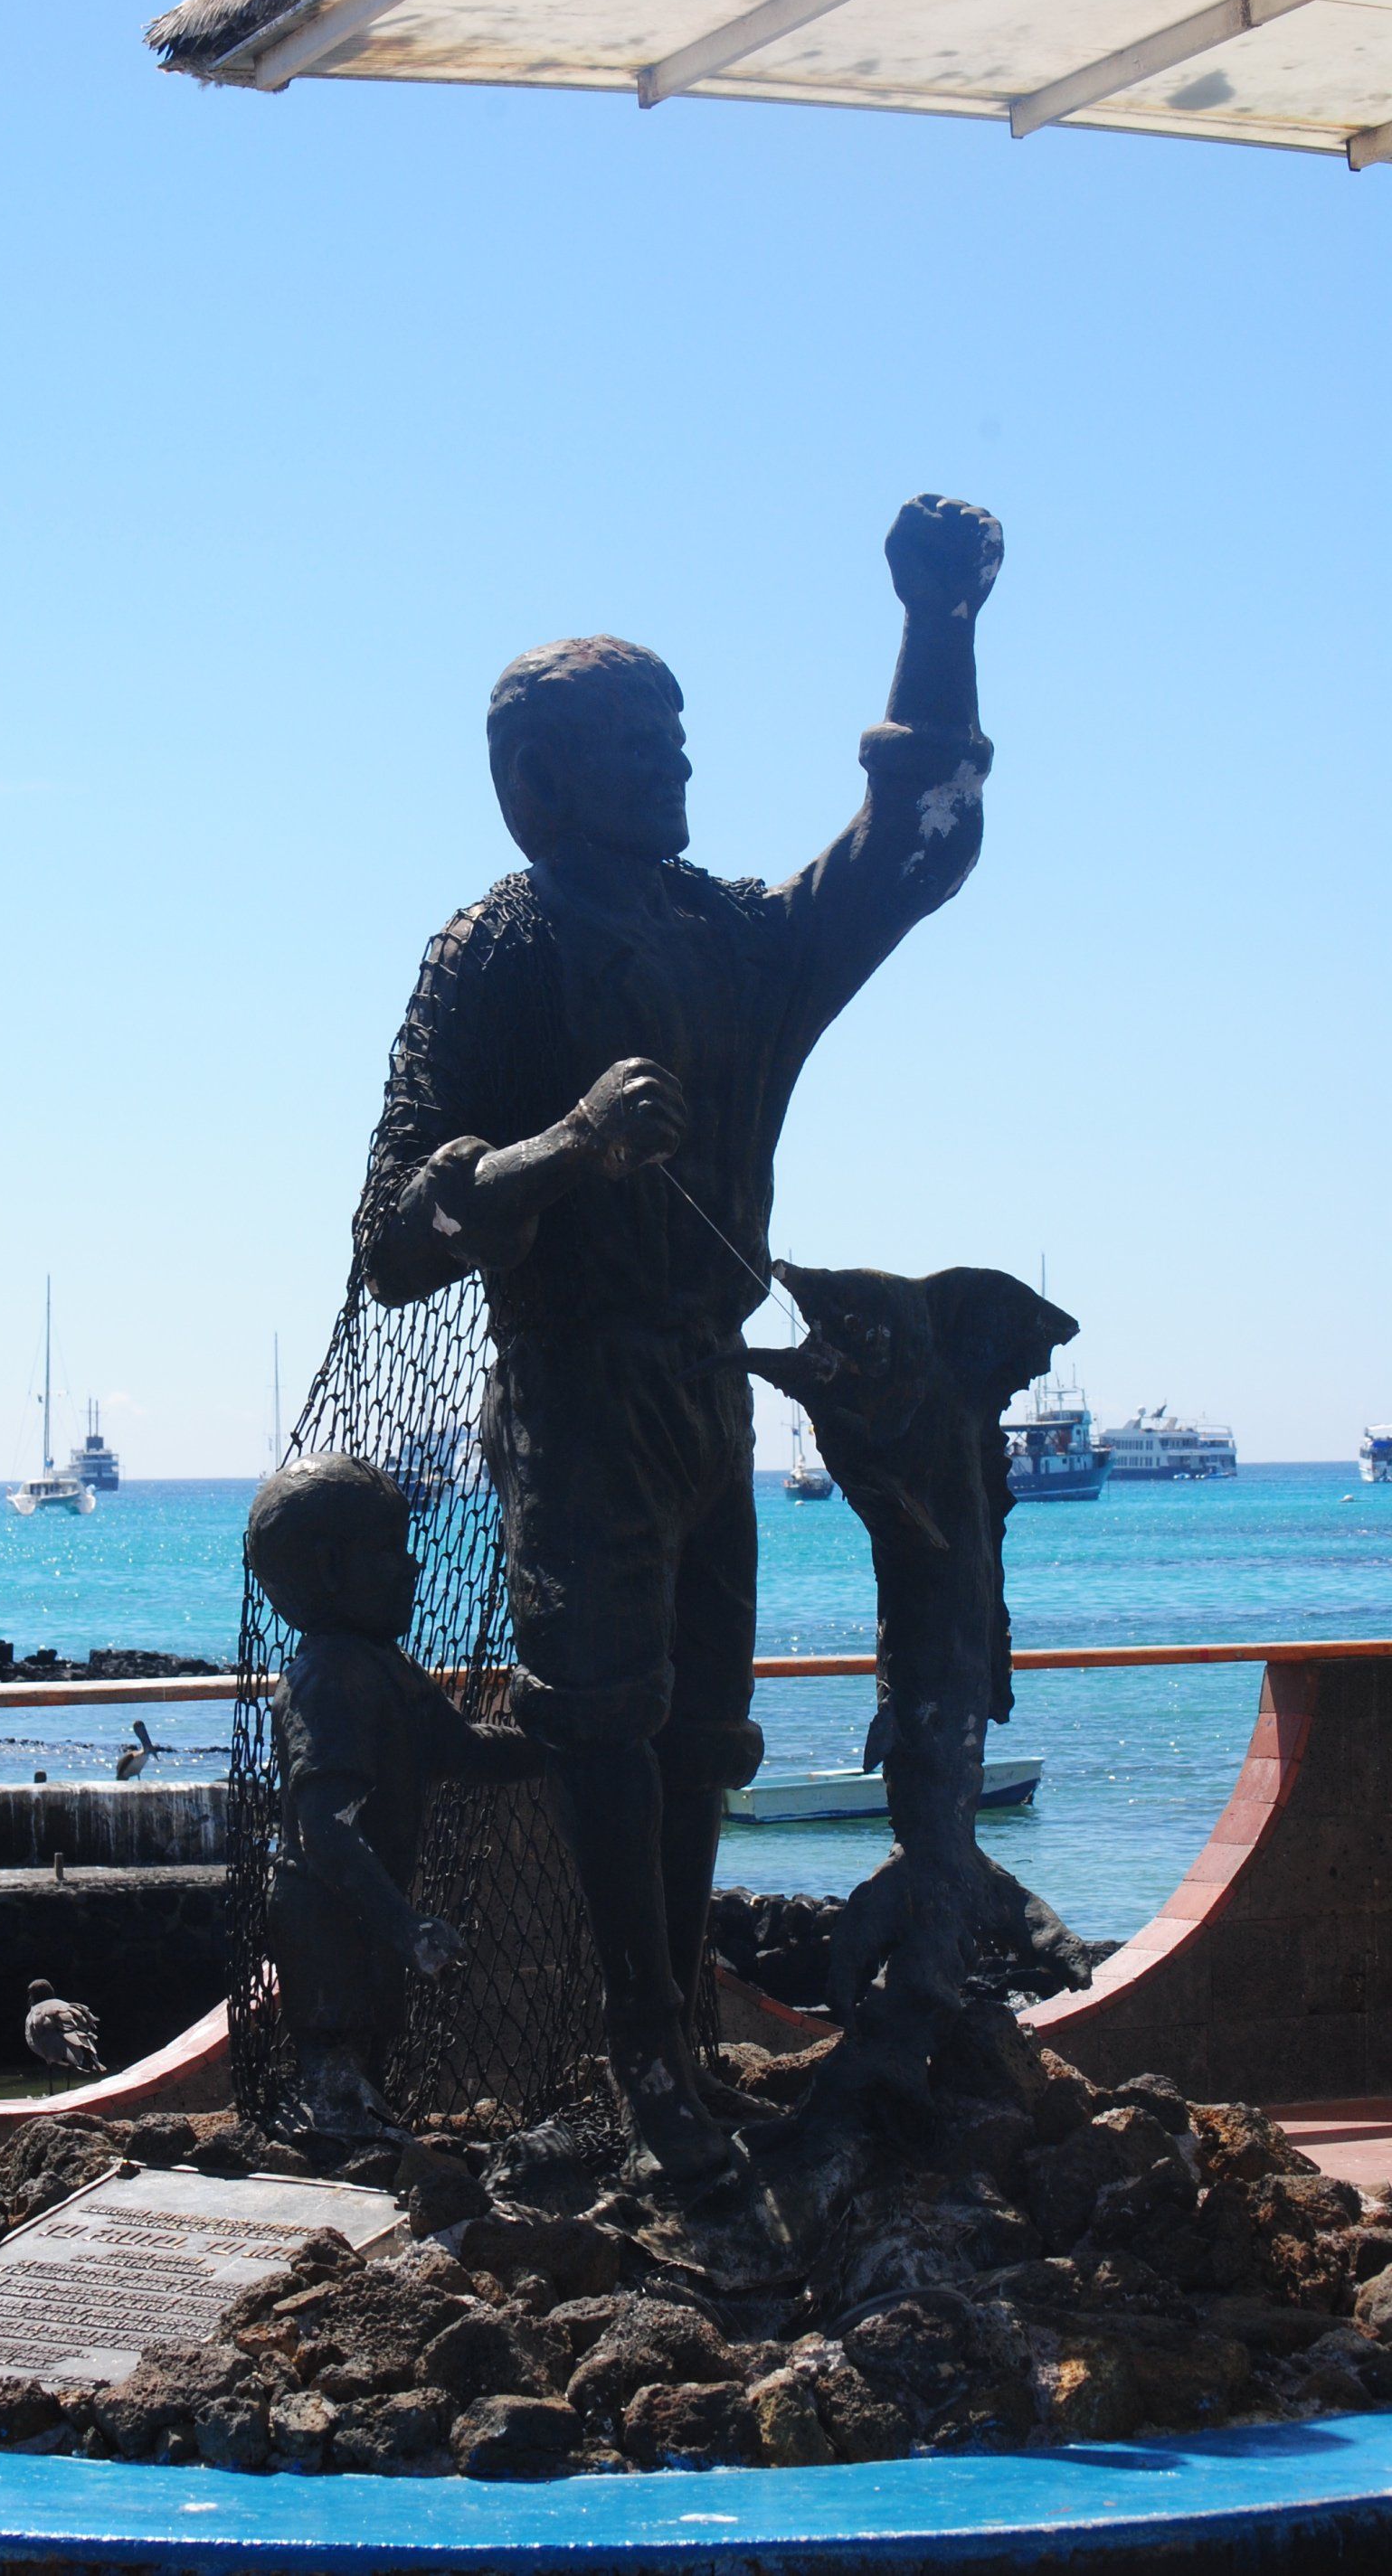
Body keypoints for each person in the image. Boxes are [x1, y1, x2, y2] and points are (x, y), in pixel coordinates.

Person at [360, 494, 1003, 2183]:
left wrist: (940, 622)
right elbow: (391, 1237)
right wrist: (564, 1148)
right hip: (573, 1383)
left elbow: (904, 856)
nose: (676, 769)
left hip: (709, 1386)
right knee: (599, 1717)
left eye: (679, 737)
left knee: (705, 1724)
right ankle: (639, 2049)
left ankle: (686, 2032)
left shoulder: (725, 936)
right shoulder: (497, 945)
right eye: (636, 746)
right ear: (539, 781)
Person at [247, 1451, 541, 2137]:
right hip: (326, 1910)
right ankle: (336, 2125)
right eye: (387, 1552)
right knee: (338, 2041)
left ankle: (354, 2127)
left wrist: (555, 1743)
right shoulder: (330, 1679)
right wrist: (404, 1925)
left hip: (368, 1905)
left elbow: (463, 1751)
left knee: (371, 2036)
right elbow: (325, 1826)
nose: (410, 1569)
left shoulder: (382, 1668)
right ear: (328, 1568)